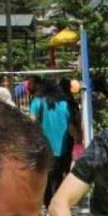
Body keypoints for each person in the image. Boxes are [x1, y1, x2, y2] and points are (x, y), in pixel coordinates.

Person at [30, 79, 72, 207]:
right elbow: (71, 126)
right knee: (58, 177)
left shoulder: (37, 101)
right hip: (64, 147)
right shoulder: (65, 104)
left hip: (45, 146)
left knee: (46, 177)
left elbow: (31, 121)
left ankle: (48, 205)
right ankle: (58, 204)